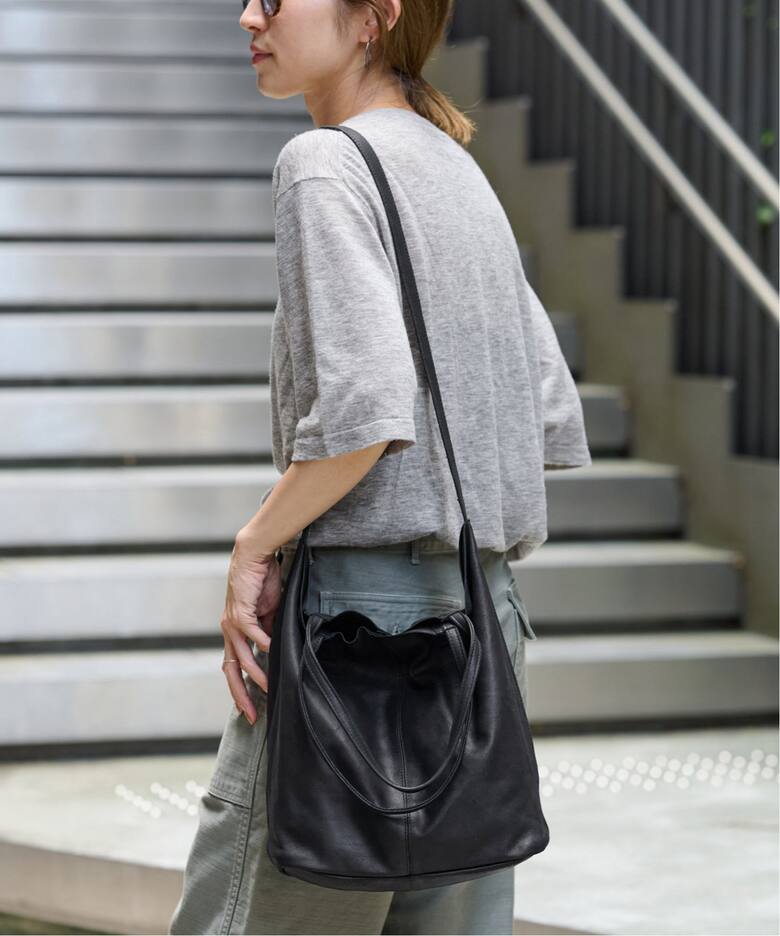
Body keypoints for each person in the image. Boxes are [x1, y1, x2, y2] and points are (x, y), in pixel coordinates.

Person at [169, 0, 591, 932]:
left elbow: (365, 411)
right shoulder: (456, 167)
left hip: (354, 635)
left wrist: (255, 544)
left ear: (375, 17)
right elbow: (546, 409)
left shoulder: (323, 163)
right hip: (483, 621)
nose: (248, 16)